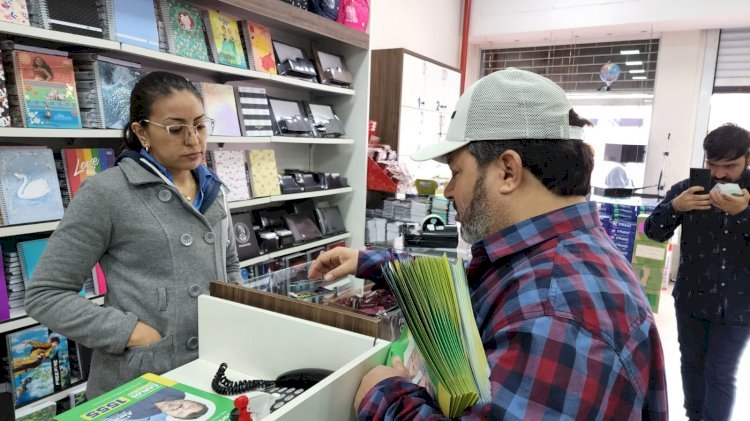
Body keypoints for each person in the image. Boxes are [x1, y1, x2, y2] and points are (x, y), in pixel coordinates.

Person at [309, 68, 668, 419]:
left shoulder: (555, 312)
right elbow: (472, 284)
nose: (449, 191)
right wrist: (371, 262)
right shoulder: (553, 256)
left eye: (456, 172)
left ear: (508, 171)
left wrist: (385, 397)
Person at [25, 71, 242, 398]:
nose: (193, 139)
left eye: (199, 125)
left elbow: (229, 267)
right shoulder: (106, 193)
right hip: (140, 379)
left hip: (213, 370)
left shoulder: (214, 189)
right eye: (175, 128)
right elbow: (45, 293)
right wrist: (131, 333)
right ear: (142, 133)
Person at [644, 123, 750, 421]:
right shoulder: (687, 188)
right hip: (692, 298)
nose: (718, 174)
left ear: (747, 158)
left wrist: (743, 215)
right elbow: (653, 232)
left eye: (729, 166)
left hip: (740, 305)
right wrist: (675, 207)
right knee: (691, 364)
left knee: (720, 373)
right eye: (712, 164)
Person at [104, 387, 209, 420]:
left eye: (181, 413)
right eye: (189, 406)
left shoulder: (150, 417)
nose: (179, 409)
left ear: (174, 416)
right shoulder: (176, 391)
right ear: (191, 400)